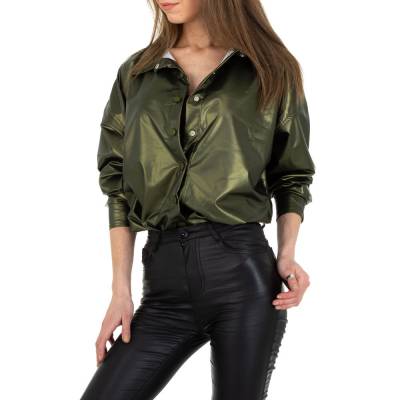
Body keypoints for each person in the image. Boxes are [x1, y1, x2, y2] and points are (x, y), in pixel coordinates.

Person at [80, 0, 315, 399]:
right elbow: (116, 182)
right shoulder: (137, 73)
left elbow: (291, 174)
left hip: (242, 279)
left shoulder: (271, 68)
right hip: (162, 286)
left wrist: (288, 253)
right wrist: (120, 291)